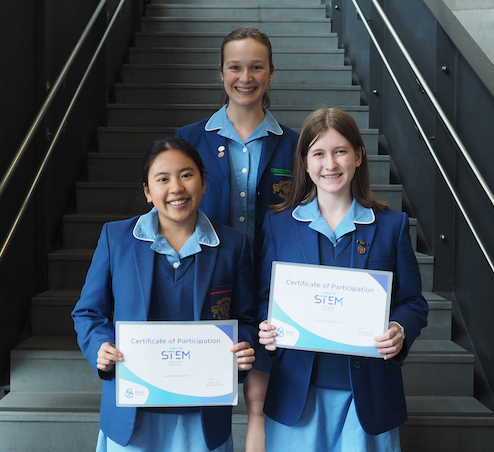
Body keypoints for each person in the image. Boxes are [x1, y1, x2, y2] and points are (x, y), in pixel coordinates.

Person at [257, 108, 429, 451]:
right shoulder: (279, 225)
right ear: (305, 162)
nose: (330, 164)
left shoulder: (391, 226)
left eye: (340, 151)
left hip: (367, 396)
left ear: (359, 156)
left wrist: (399, 328)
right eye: (318, 153)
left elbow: (413, 302)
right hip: (297, 394)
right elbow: (264, 297)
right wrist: (267, 325)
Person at [72, 138, 258, 452]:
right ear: (147, 191)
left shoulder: (233, 245)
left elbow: (247, 319)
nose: (176, 188)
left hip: (201, 414)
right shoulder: (116, 239)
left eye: (186, 175)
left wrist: (245, 348)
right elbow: (88, 312)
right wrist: (99, 347)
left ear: (203, 183)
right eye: (162, 179)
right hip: (134, 412)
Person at [175, 26, 298, 452]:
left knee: (259, 402)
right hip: (209, 282)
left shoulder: (297, 147)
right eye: (235, 67)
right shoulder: (189, 141)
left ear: (271, 72)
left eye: (256, 67)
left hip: (271, 285)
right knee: (203, 398)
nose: (245, 77)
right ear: (220, 72)